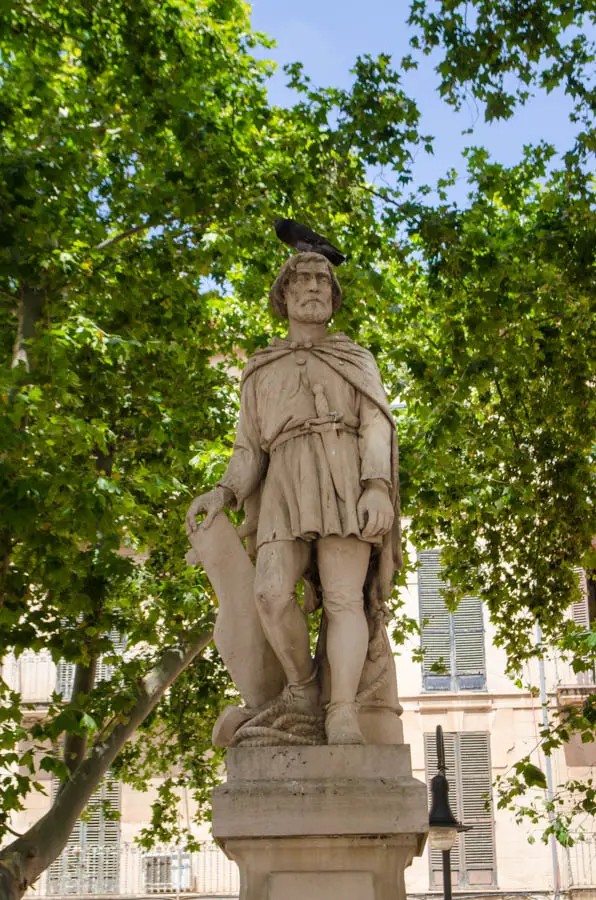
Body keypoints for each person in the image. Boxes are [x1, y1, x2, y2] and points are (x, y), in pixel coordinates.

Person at [186, 252, 401, 744]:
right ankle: (302, 690)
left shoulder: (355, 358)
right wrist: (223, 492)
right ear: (283, 295)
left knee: (345, 598)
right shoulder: (260, 369)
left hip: (346, 476)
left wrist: (376, 487)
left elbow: (375, 426)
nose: (314, 287)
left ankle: (342, 710)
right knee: (270, 593)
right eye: (302, 279)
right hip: (283, 482)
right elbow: (248, 449)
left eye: (323, 281)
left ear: (334, 296)